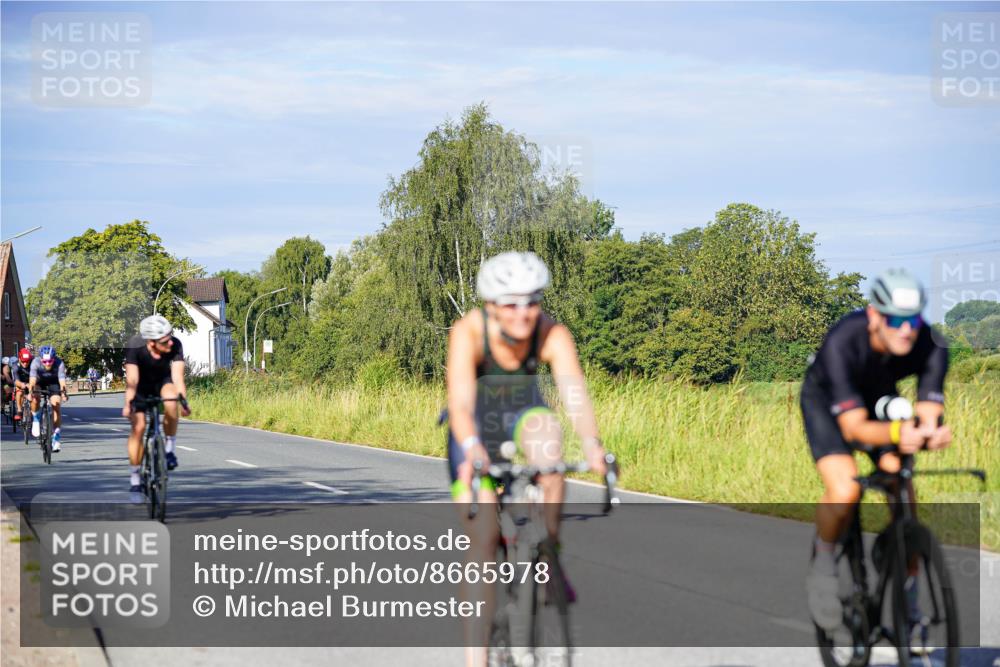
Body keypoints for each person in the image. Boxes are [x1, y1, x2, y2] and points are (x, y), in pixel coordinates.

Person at [445, 251, 608, 667]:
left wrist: (592, 445)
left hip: (524, 414)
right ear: (491, 305)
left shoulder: (552, 333)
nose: (523, 313)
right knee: (482, 541)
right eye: (511, 303)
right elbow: (461, 405)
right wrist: (474, 451)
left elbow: (573, 395)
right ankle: (475, 660)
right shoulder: (468, 332)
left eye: (532, 301)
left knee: (551, 451)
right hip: (475, 427)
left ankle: (548, 550)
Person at [801, 268, 951, 631]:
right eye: (894, 319)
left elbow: (929, 409)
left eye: (913, 318)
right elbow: (854, 429)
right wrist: (901, 431)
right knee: (846, 489)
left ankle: (910, 593)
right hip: (827, 404)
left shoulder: (931, 344)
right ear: (873, 315)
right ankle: (823, 568)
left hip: (879, 401)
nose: (905, 329)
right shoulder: (843, 341)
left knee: (900, 483)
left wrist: (928, 431)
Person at [122, 315, 191, 500]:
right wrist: (128, 403)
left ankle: (169, 448)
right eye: (164, 341)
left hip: (163, 381)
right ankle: (135, 478)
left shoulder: (175, 344)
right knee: (139, 427)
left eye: (170, 337)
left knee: (171, 399)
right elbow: (132, 379)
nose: (170, 343)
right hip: (141, 386)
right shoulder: (135, 346)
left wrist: (183, 400)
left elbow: (177, 377)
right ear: (151, 343)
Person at [28, 346, 69, 451]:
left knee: (56, 405)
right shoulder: (35, 362)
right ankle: (36, 419)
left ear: (54, 359)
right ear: (41, 359)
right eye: (45, 361)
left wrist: (64, 393)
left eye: (50, 361)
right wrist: (30, 392)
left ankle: (56, 436)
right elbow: (32, 380)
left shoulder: (59, 363)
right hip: (39, 382)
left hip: (53, 383)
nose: (47, 364)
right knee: (35, 397)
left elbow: (62, 381)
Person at [11, 348, 33, 425]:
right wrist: (22, 384)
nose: (25, 363)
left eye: (27, 361)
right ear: (19, 359)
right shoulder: (15, 365)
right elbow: (16, 381)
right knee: (19, 392)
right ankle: (19, 411)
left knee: (33, 394)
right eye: (23, 361)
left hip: (30, 380)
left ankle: (32, 412)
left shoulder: (33, 363)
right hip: (20, 380)